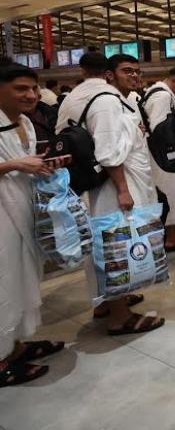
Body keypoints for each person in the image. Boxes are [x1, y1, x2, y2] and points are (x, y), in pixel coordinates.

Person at [56, 52, 164, 335]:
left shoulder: (96, 97)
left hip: (107, 184)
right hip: (114, 185)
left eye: (137, 70)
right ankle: (120, 317)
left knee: (110, 243)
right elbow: (108, 151)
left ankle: (107, 302)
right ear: (109, 75)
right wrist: (124, 190)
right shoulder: (106, 101)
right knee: (118, 244)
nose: (134, 75)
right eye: (127, 70)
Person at [0, 61, 67, 387]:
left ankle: (14, 345)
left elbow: (27, 163)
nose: (30, 95)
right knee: (3, 283)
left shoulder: (25, 121)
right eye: (20, 88)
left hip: (23, 211)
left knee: (20, 280)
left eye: (33, 88)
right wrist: (13, 164)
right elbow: (15, 164)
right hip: (2, 216)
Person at [141, 65, 175, 251]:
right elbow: (159, 128)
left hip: (158, 154)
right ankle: (170, 238)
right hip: (162, 156)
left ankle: (171, 236)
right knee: (171, 195)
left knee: (170, 195)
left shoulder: (157, 92)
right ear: (174, 80)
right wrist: (174, 149)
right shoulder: (162, 95)